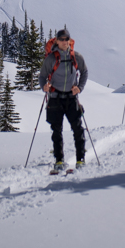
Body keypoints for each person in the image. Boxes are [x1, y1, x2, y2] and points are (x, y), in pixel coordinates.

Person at [39, 28, 89, 171]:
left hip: (71, 97)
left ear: (69, 41)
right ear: (56, 41)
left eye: (66, 39)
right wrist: (44, 86)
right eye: (61, 39)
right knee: (56, 130)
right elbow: (42, 76)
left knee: (78, 129)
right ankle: (59, 160)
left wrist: (79, 87)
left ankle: (80, 159)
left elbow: (84, 72)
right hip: (55, 98)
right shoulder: (51, 58)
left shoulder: (76, 57)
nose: (64, 42)